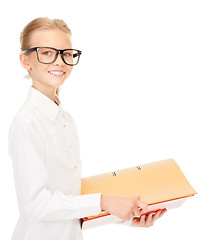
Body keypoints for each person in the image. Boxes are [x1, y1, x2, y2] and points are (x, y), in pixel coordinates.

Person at [8, 17, 166, 240]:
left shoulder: (66, 120)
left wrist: (125, 216)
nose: (59, 61)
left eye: (67, 53)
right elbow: (35, 205)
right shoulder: (26, 122)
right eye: (47, 53)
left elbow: (70, 203)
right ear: (26, 61)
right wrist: (103, 201)